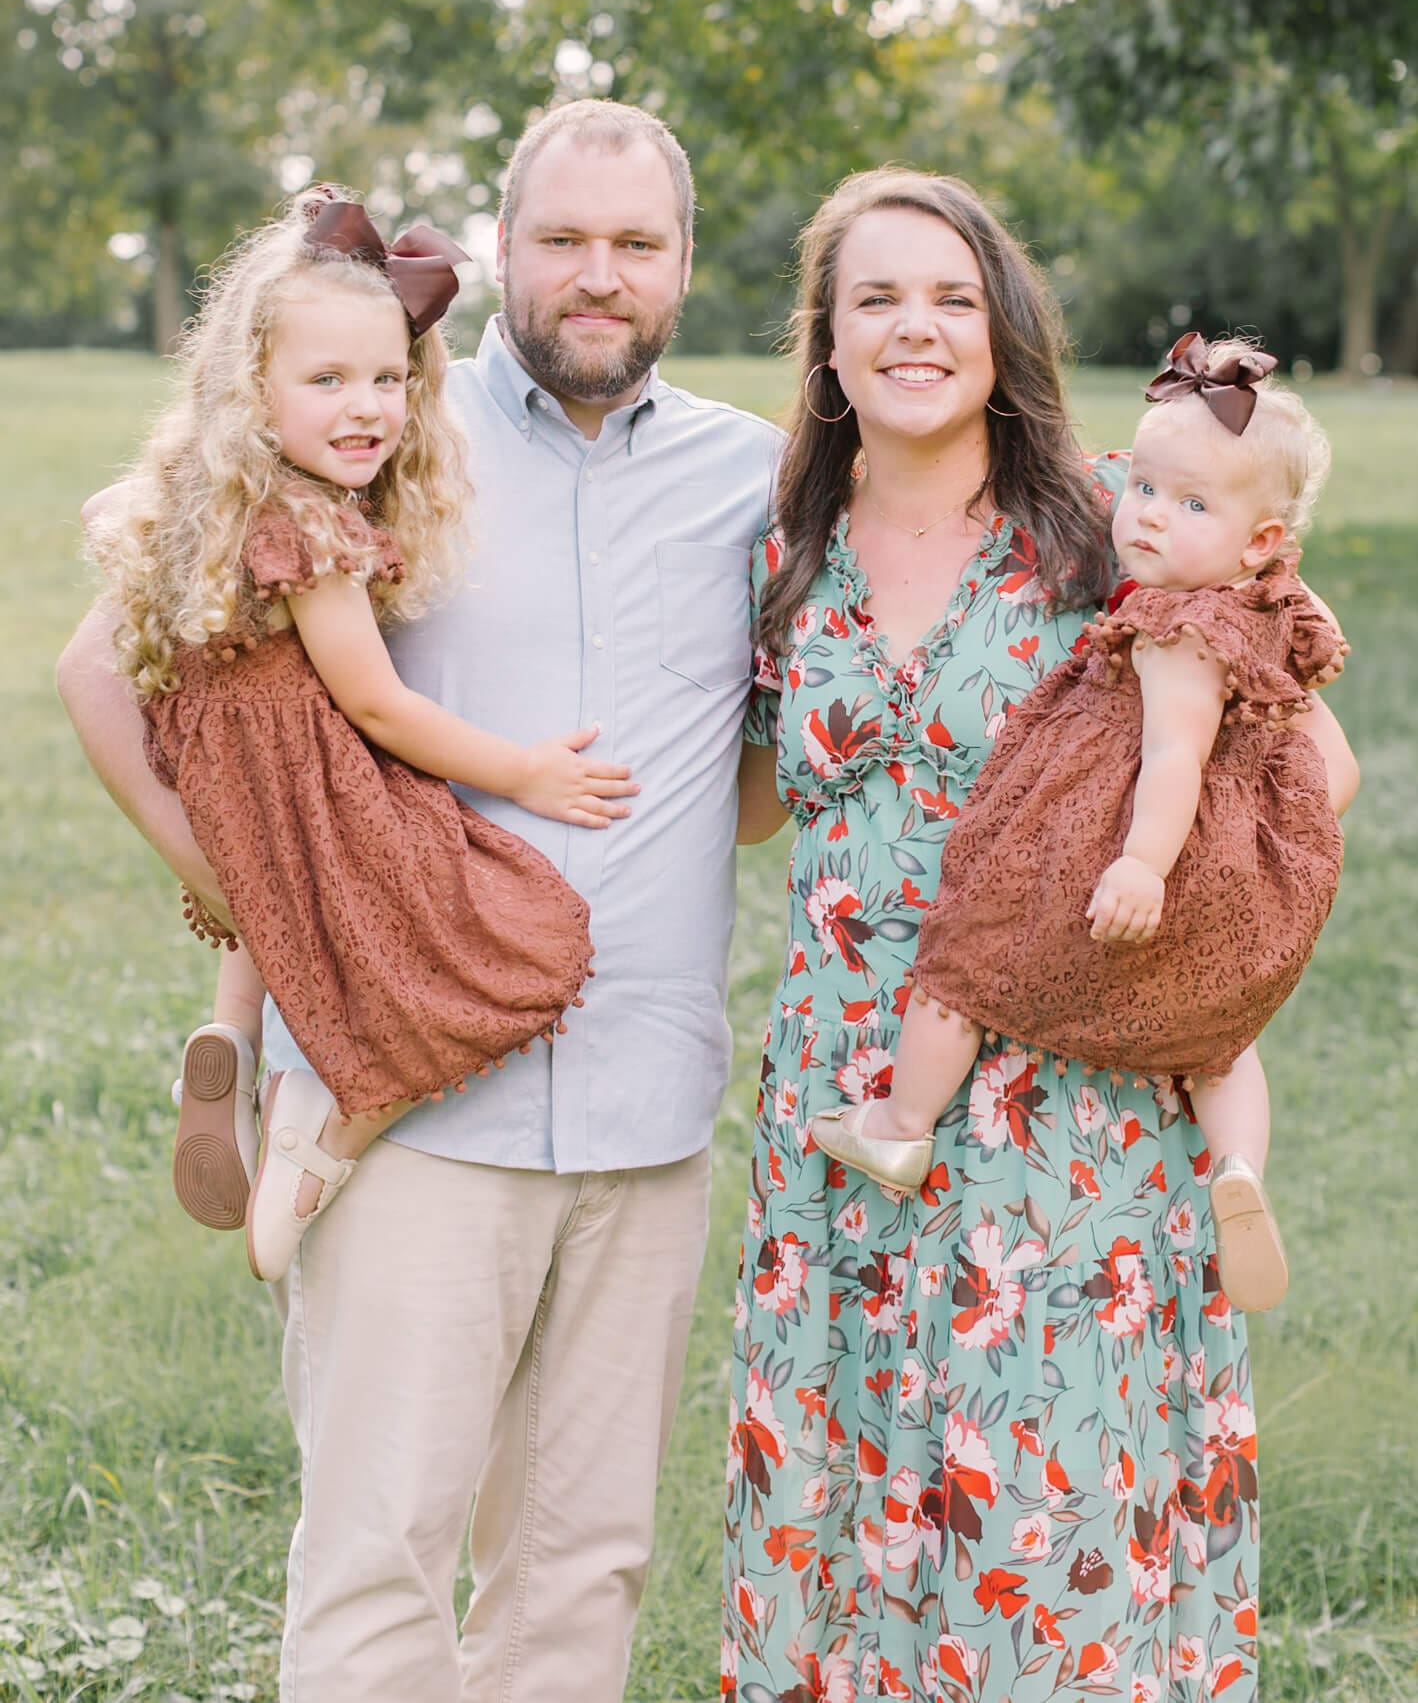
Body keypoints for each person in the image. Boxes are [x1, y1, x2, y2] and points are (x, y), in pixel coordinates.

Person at [57, 98, 783, 1703]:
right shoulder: (386, 435)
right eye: (563, 239)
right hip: (408, 1111)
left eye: (635, 243)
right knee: (379, 1548)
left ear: (680, 263)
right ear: (501, 247)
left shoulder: (755, 475)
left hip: (645, 1103)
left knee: (578, 1565)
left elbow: (798, 738)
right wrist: (249, 898)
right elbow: (107, 664)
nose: (599, 275)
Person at [727, 169, 1358, 1703]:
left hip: (1064, 1107)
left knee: (1041, 1523)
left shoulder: (1114, 523)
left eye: (951, 295)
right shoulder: (778, 546)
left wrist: (1162, 934)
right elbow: (754, 799)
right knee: (844, 1507)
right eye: (874, 296)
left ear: (1002, 333)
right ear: (825, 343)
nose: (915, 326)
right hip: (846, 1093)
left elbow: (1312, 771)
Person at [88, 188, 621, 1283]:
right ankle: (326, 1143)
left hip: (228, 791)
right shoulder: (313, 531)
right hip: (312, 788)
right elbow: (377, 706)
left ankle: (231, 1039)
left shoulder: (210, 497)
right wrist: (523, 772)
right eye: (326, 381)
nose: (367, 407)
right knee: (510, 947)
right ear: (254, 393)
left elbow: (107, 559)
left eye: (387, 379)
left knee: (280, 909)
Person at [812, 330, 1347, 1316]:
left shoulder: (1172, 628)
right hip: (1219, 865)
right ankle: (1237, 1167)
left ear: (1259, 539)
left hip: (1121, 851)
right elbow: (1328, 767)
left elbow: (1172, 756)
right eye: (1141, 488)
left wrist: (1144, 863)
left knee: (967, 961)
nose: (1144, 517)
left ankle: (900, 1117)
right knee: (1220, 1042)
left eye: (1188, 505)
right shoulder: (1267, 605)